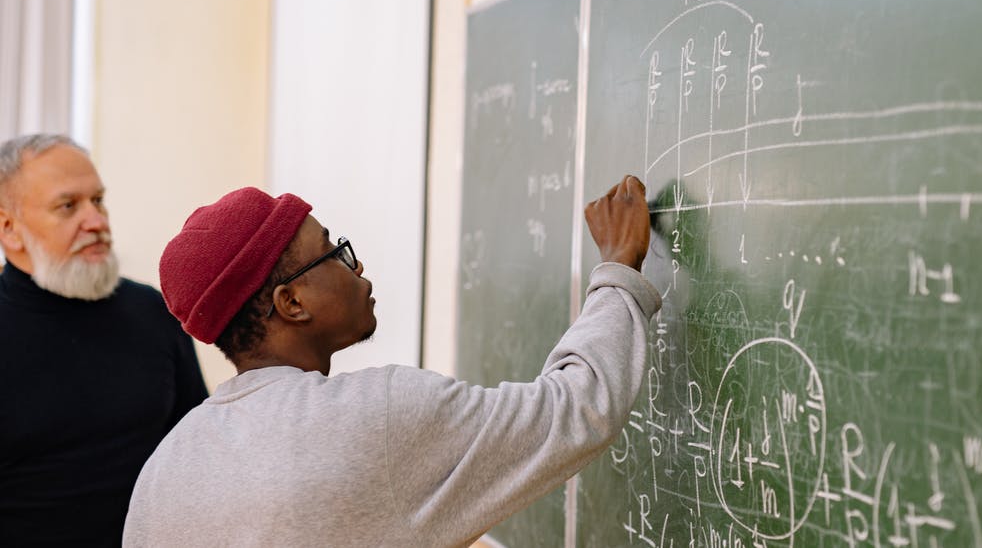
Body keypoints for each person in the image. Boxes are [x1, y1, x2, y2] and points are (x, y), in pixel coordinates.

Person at [123, 175, 660, 547]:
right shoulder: (371, 417)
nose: (357, 267)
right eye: (334, 252)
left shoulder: (163, 470)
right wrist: (617, 266)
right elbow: (574, 411)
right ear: (292, 302)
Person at [0, 134, 209, 546]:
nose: (96, 221)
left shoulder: (151, 310)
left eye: (98, 200)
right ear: (10, 229)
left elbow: (198, 449)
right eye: (68, 206)